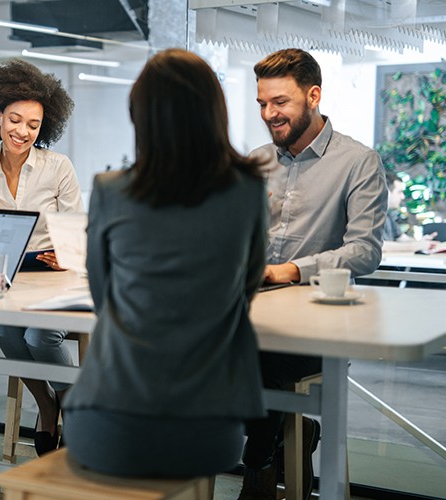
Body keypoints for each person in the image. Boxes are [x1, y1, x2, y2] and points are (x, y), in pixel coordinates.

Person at [61, 48, 267, 477]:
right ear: (215, 113)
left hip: (110, 429)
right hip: (213, 435)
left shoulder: (112, 190)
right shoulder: (248, 189)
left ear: (142, 117)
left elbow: (104, 298)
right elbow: (245, 290)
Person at [242, 48, 387, 500]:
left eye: (280, 102)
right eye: (263, 103)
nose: (269, 114)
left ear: (314, 95)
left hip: (316, 327)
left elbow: (365, 251)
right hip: (251, 313)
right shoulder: (257, 161)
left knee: (251, 363)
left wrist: (291, 270)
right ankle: (291, 432)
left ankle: (257, 467)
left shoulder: (359, 162)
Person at [0, 58, 82, 455]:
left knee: (39, 335)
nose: (23, 132)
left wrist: (65, 256)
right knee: (2, 328)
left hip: (54, 273)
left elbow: (77, 229)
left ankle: (73, 405)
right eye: (15, 120)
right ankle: (48, 404)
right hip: (7, 277)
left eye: (33, 125)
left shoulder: (58, 166)